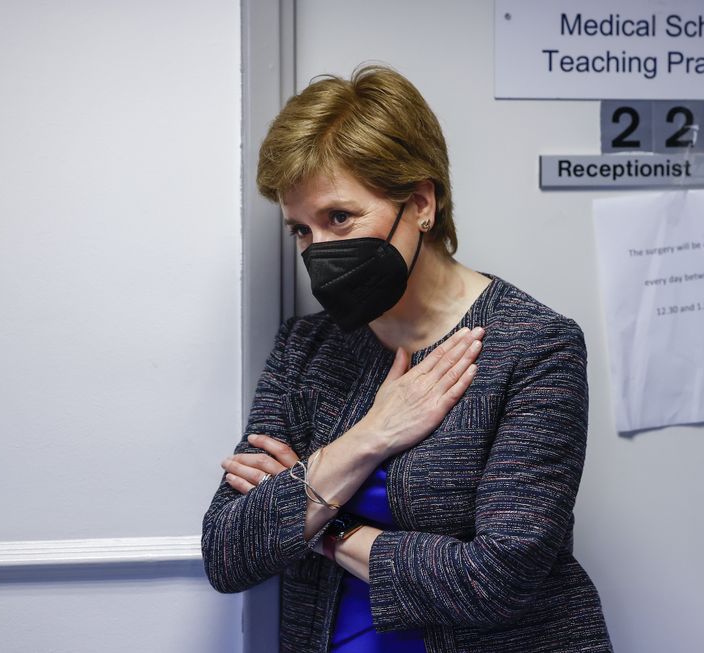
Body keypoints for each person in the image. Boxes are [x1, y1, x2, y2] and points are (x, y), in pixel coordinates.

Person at [202, 64, 613, 653]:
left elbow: (497, 578)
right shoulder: (305, 350)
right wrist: (370, 436)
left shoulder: (533, 346)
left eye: (339, 218)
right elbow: (227, 550)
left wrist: (320, 520)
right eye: (300, 229)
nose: (317, 250)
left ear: (421, 202)